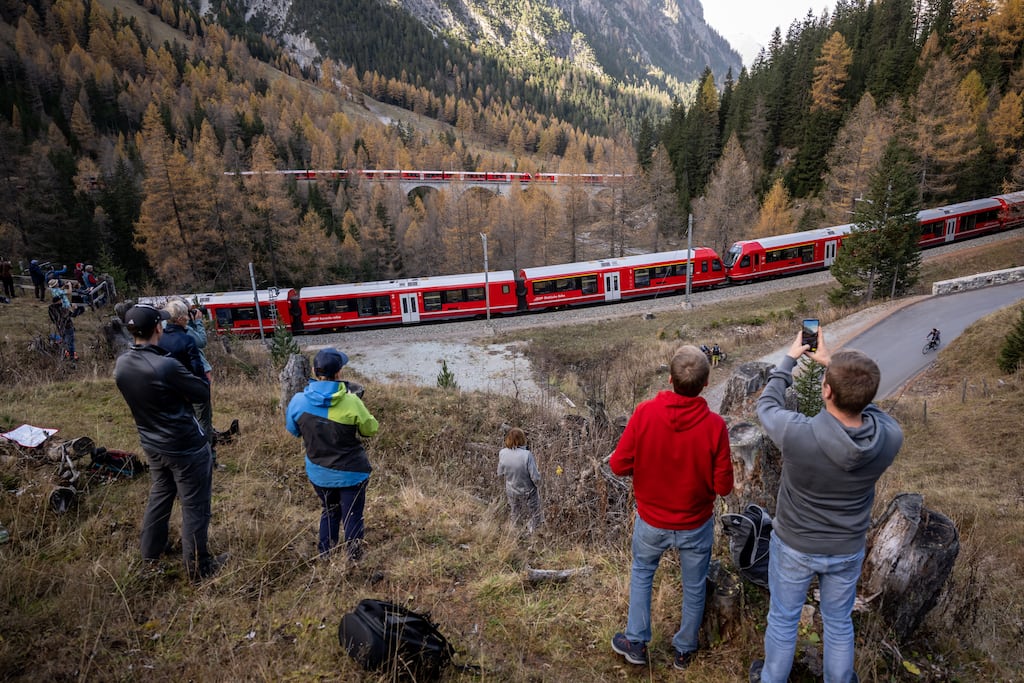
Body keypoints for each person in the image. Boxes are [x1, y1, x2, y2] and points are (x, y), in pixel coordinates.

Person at [749, 328, 903, 683]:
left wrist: (789, 359)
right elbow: (868, 408)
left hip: (794, 545)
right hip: (846, 548)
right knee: (837, 622)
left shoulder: (797, 433)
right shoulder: (889, 438)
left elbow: (766, 405)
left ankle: (773, 678)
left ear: (826, 390)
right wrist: (837, 367)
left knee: (784, 618)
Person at [609, 345, 734, 670]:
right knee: (694, 586)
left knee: (642, 574)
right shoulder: (715, 427)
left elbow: (619, 465)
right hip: (696, 524)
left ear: (669, 379)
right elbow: (724, 487)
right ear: (706, 384)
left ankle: (635, 642)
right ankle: (684, 650)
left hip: (651, 521)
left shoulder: (644, 414)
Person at [114, 304, 227, 581]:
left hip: (152, 442)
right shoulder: (166, 365)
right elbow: (201, 392)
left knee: (160, 495)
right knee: (195, 506)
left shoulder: (123, 363)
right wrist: (195, 367)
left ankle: (150, 553)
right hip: (185, 445)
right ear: (157, 328)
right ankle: (199, 568)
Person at [286, 348, 379, 560]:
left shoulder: (298, 401)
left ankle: (325, 554)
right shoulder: (352, 402)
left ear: (313, 370)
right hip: (352, 473)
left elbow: (293, 430)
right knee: (352, 514)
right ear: (339, 373)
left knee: (329, 510)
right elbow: (370, 429)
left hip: (318, 473)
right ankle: (354, 559)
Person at [496, 427, 542, 534]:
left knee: (515, 512)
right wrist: (540, 483)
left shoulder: (502, 453)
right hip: (528, 490)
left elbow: (500, 472)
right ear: (522, 439)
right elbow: (535, 477)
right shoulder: (527, 455)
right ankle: (533, 533)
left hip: (511, 489)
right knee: (534, 513)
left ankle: (514, 532)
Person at [159, 299, 207, 380]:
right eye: (186, 315)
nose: (188, 318)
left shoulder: (159, 337)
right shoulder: (187, 340)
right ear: (180, 319)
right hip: (185, 383)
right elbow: (197, 368)